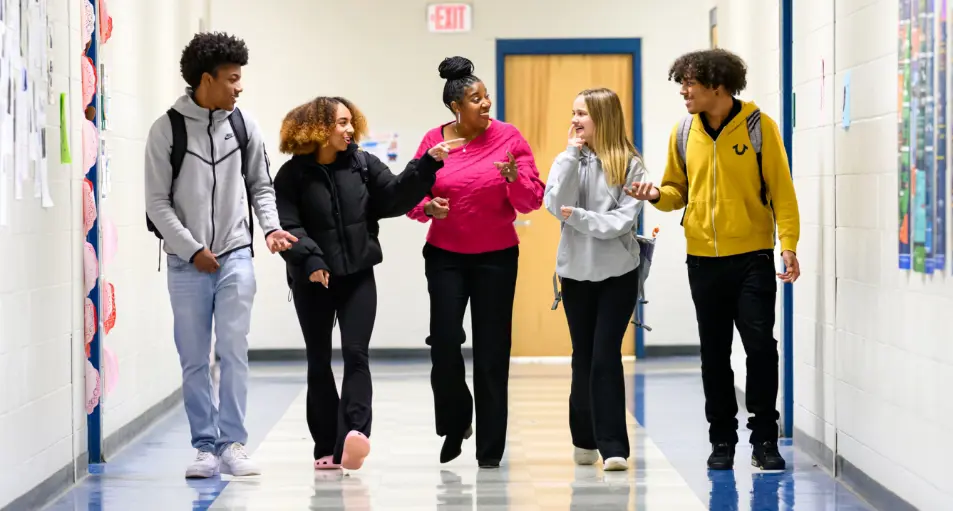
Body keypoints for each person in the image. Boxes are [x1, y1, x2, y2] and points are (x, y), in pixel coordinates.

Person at [627, 49, 801, 471]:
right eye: (682, 82)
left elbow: (783, 192)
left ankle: (764, 440)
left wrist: (788, 244)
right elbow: (675, 192)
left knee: (761, 347)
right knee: (715, 353)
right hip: (703, 259)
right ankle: (721, 440)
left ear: (718, 86)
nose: (683, 91)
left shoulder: (760, 128)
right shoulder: (683, 132)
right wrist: (654, 196)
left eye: (690, 83)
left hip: (752, 257)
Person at [273, 96, 461, 471]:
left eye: (349, 122)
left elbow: (392, 198)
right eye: (340, 124)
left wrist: (426, 165)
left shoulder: (361, 164)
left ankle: (356, 433)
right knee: (319, 361)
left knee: (357, 354)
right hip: (313, 281)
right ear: (318, 129)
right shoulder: (291, 176)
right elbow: (288, 226)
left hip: (358, 275)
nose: (349, 130)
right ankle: (325, 446)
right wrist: (310, 260)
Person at [144, 32, 297, 478]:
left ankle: (233, 443)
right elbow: (157, 203)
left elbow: (261, 185)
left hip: (235, 257)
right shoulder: (166, 129)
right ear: (207, 80)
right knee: (194, 357)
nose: (239, 87)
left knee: (233, 351)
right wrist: (192, 250)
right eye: (232, 79)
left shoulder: (244, 126)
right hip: (185, 263)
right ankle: (205, 448)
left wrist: (270, 228)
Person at [407, 56, 544, 468]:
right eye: (475, 98)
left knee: (491, 351)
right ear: (455, 107)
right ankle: (455, 421)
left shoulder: (509, 138)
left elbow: (531, 199)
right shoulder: (435, 141)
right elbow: (410, 193)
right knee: (445, 342)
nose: (485, 104)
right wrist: (430, 207)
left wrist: (511, 177)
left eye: (486, 97)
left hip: (497, 259)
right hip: (446, 257)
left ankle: (490, 450)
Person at [544, 88, 646, 472]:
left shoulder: (630, 164)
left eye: (582, 113)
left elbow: (622, 221)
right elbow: (555, 205)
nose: (575, 120)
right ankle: (583, 440)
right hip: (575, 274)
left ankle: (613, 446)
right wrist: (571, 157)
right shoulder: (565, 159)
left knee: (606, 356)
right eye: (573, 112)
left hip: (618, 274)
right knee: (582, 357)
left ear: (602, 117)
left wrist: (580, 217)